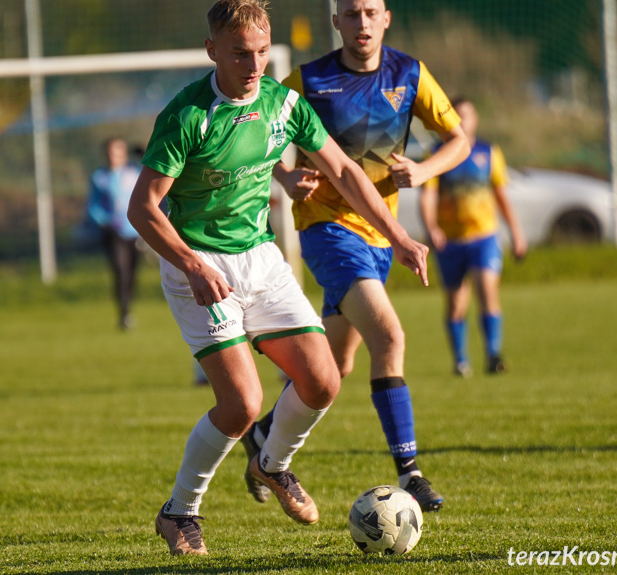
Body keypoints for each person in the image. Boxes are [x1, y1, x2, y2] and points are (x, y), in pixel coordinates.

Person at [127, 0, 429, 556]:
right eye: (241, 53)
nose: (254, 64)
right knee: (242, 403)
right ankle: (180, 512)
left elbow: (343, 170)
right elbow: (143, 208)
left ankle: (273, 465)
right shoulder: (187, 114)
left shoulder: (284, 103)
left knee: (322, 380)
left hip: (261, 259)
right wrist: (192, 264)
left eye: (263, 52)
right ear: (212, 50)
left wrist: (400, 235)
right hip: (199, 265)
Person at [241, 0, 469, 514]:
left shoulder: (409, 74)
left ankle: (261, 439)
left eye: (370, 12)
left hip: (380, 238)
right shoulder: (308, 79)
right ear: (336, 22)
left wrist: (427, 170)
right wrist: (283, 176)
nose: (361, 23)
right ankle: (410, 473)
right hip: (326, 231)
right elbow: (260, 137)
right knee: (389, 335)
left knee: (336, 366)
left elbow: (459, 139)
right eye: (351, 13)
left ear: (386, 18)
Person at [420, 97, 526, 377]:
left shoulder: (488, 152)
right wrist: (432, 226)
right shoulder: (437, 153)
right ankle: (461, 361)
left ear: (476, 119)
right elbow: (428, 195)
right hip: (451, 242)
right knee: (456, 303)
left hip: (484, 238)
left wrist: (516, 233)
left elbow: (501, 196)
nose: (464, 120)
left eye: (468, 115)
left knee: (487, 292)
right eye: (458, 115)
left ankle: (493, 355)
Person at [83, 137, 142, 330]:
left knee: (132, 273)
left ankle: (129, 306)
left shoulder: (135, 172)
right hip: (114, 233)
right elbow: (93, 205)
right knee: (120, 271)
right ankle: (123, 313)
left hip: (136, 231)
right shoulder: (100, 177)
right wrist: (103, 221)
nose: (113, 156)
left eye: (117, 151)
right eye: (109, 152)